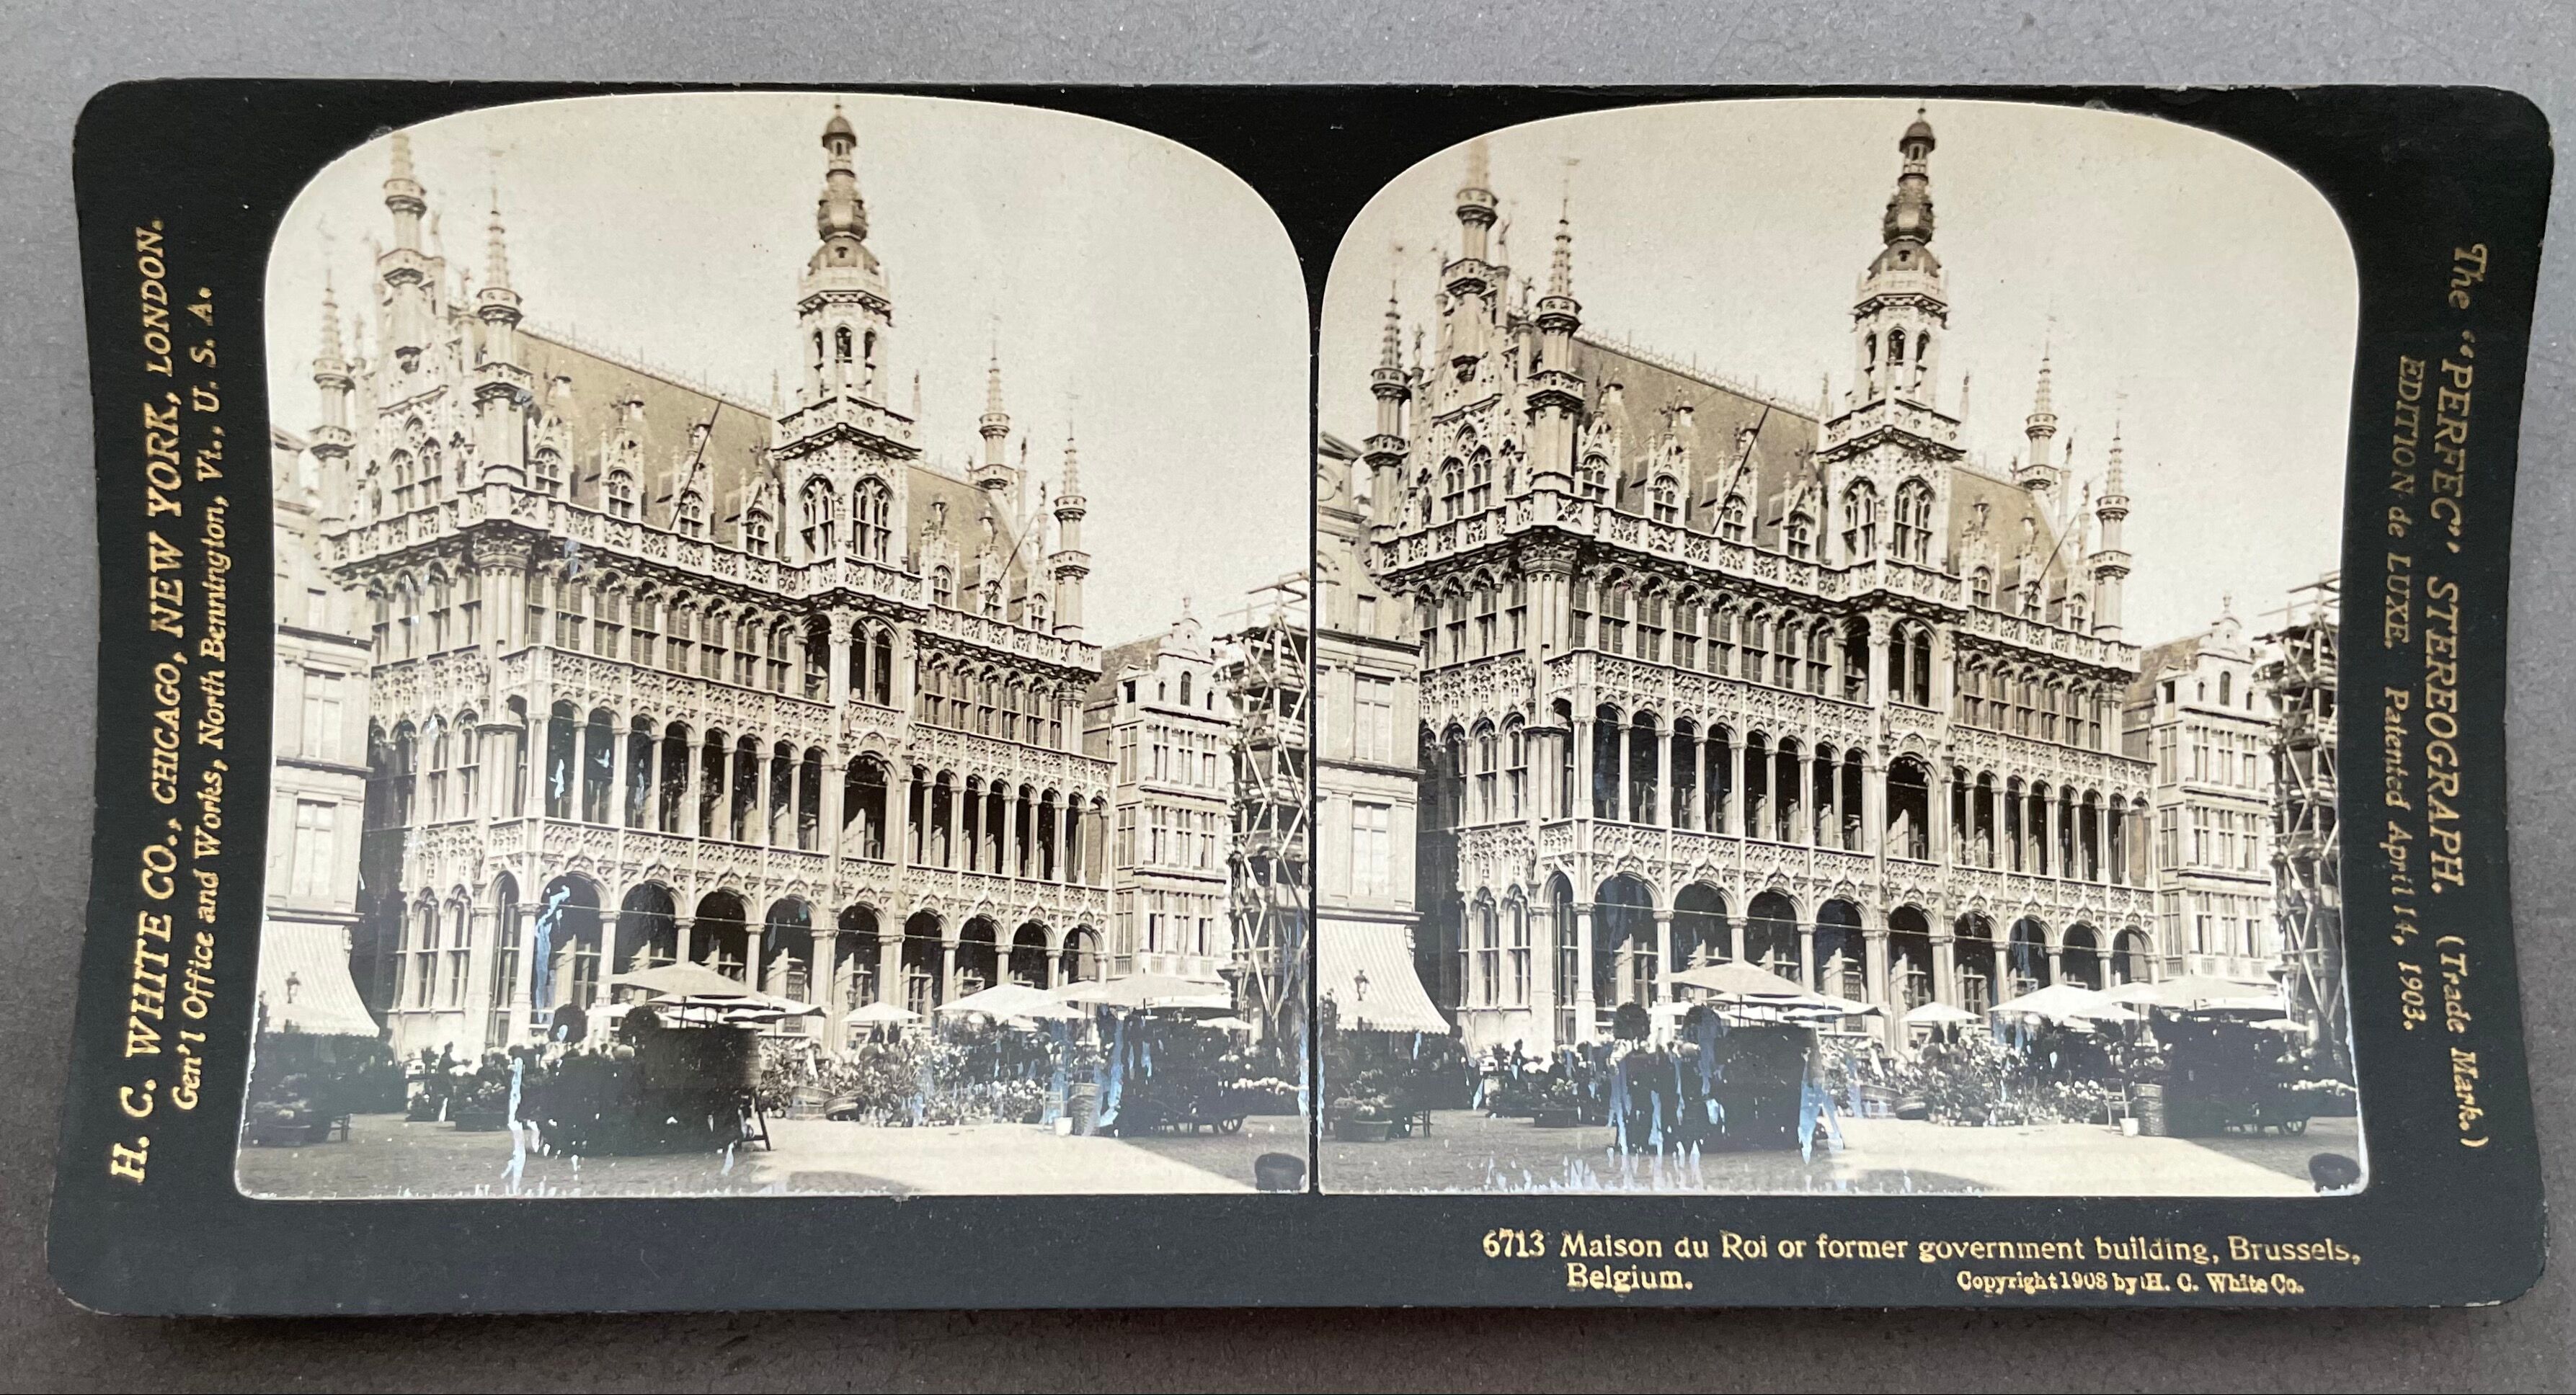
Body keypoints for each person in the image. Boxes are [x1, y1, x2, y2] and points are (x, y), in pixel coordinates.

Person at [1797, 1029, 1846, 1162]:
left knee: (1822, 1116)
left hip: (1818, 1090)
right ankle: (1808, 1148)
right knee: (1813, 1117)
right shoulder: (1818, 1057)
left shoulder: (1826, 1055)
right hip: (1815, 1089)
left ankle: (1813, 1147)